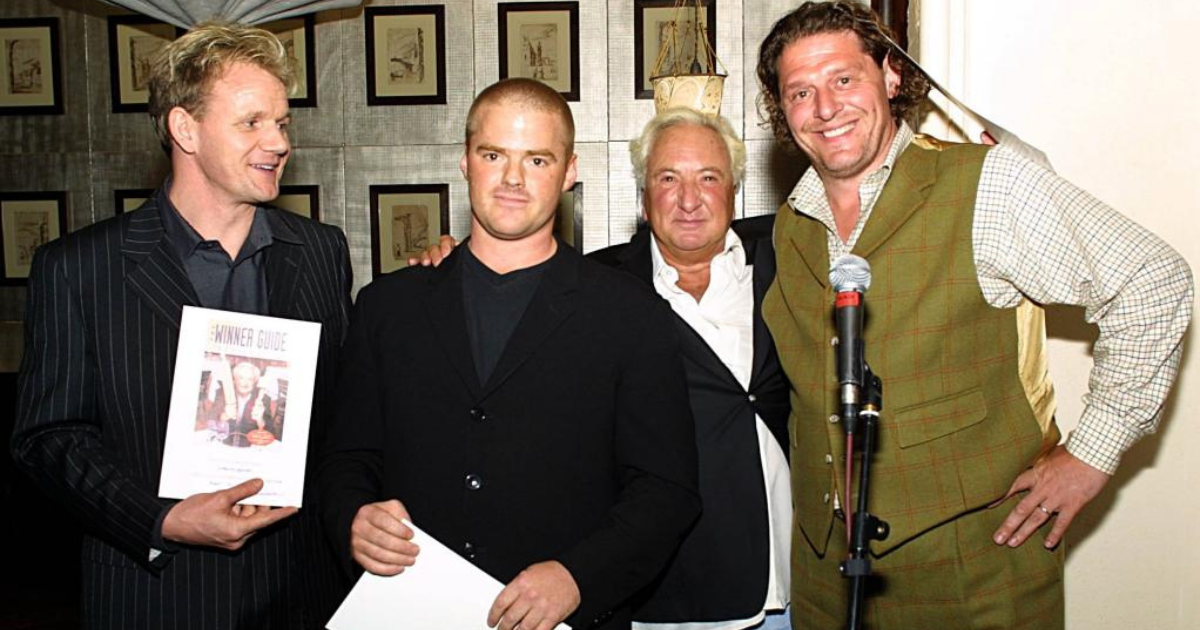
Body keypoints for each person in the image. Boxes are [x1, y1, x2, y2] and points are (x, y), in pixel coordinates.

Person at [754, 2, 1193, 628]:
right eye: (801, 92)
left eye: (844, 79)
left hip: (974, 577)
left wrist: (1091, 454)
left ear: (891, 76)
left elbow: (1152, 281)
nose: (825, 108)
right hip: (827, 580)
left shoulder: (988, 183)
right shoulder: (790, 226)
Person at [317, 78, 701, 630]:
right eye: (494, 154)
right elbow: (344, 459)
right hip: (408, 610)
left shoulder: (631, 314)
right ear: (465, 162)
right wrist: (351, 517)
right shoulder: (386, 308)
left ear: (569, 172)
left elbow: (668, 490)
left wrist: (577, 577)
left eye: (537, 160)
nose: (513, 179)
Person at [11, 21, 353, 629]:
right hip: (156, 596)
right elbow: (49, 438)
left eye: (283, 122)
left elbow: (345, 416)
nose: (278, 142)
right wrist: (161, 519)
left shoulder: (321, 251)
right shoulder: (79, 268)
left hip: (302, 591)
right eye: (252, 122)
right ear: (183, 128)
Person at [589, 109, 791, 630]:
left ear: (734, 190)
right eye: (668, 178)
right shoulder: (595, 289)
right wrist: (448, 264)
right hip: (670, 597)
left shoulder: (787, 264)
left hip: (797, 587)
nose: (689, 198)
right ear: (642, 196)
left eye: (708, 177)